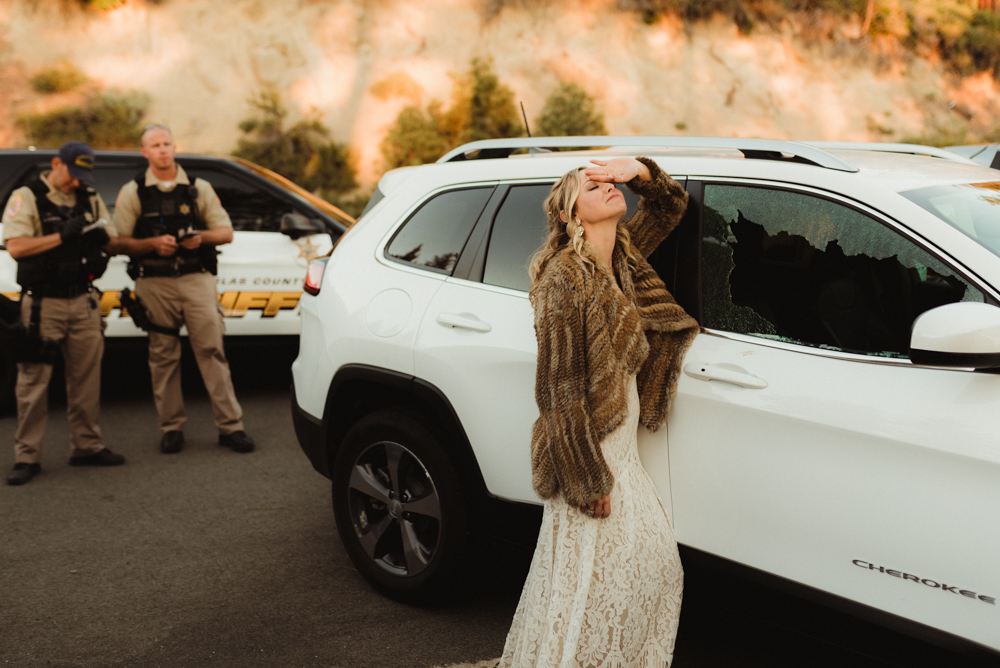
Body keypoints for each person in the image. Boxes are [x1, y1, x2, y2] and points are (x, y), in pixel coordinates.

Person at [498, 157, 700, 667]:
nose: (609, 188)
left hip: (624, 444)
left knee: (641, 574)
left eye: (611, 183)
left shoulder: (624, 255)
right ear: (570, 216)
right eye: (593, 185)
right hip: (592, 450)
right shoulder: (562, 279)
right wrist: (588, 480)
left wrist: (639, 170)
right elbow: (557, 391)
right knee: (586, 586)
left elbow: (672, 205)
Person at [112, 123, 255, 455]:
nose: (162, 149)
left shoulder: (197, 188)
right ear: (144, 153)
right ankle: (172, 427)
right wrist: (152, 244)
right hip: (154, 280)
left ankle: (231, 427)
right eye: (155, 145)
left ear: (174, 147)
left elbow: (225, 232)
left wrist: (199, 238)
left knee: (212, 352)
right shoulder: (133, 191)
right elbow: (117, 242)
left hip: (196, 279)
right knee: (163, 356)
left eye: (167, 143)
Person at [3, 141, 125, 486]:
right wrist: (60, 236)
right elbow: (16, 246)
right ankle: (27, 456)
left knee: (86, 379)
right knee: (33, 382)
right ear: (56, 164)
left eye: (82, 176)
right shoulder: (27, 196)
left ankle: (86, 446)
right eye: (72, 175)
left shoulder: (87, 196)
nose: (76, 182)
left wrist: (104, 238)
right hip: (44, 304)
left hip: (83, 301)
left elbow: (114, 241)